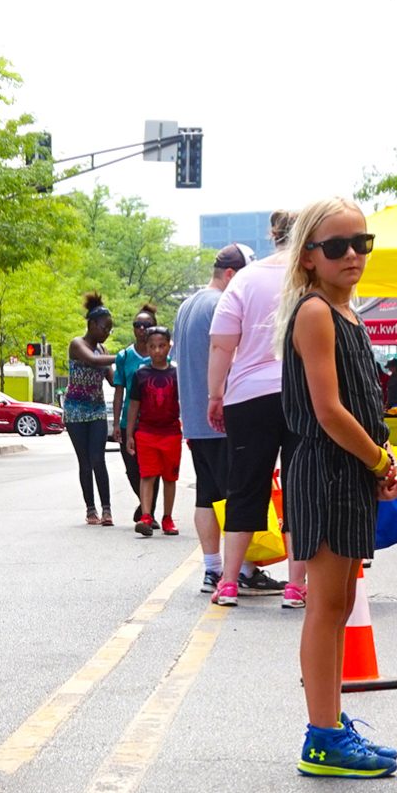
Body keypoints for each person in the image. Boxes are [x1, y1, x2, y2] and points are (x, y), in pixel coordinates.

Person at [278, 197, 397, 777]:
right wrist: (381, 461)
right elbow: (328, 411)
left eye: (363, 242)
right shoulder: (315, 312)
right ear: (308, 256)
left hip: (347, 470)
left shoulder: (345, 312)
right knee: (327, 606)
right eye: (337, 246)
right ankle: (322, 736)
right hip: (327, 470)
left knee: (337, 604)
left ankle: (330, 727)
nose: (353, 255)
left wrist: (376, 465)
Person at [209, 211, 312, 608]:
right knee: (299, 488)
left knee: (245, 489)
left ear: (273, 235)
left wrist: (215, 394)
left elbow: (222, 344)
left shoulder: (245, 279)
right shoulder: (311, 277)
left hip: (248, 397)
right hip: (303, 394)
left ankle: (230, 583)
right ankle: (295, 586)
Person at [177, 244, 264, 587]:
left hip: (196, 420)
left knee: (207, 496)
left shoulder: (188, 305)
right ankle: (242, 571)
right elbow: (231, 354)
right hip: (223, 417)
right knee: (238, 497)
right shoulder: (222, 304)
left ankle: (212, 568)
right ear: (231, 275)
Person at [123, 327, 186, 535]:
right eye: (152, 347)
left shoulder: (177, 373)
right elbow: (134, 404)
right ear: (146, 348)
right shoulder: (140, 374)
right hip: (147, 433)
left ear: (169, 346)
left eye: (161, 346)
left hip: (171, 433)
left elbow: (184, 401)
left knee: (170, 477)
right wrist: (129, 433)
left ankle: (167, 518)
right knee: (147, 475)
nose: (157, 351)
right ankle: (146, 516)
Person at [64, 296, 119, 525]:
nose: (107, 332)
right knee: (84, 461)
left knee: (98, 459)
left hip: (96, 410)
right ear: (92, 325)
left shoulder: (103, 349)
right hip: (75, 412)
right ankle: (90, 509)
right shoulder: (77, 344)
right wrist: (124, 356)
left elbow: (113, 380)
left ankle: (107, 510)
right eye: (104, 327)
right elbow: (93, 361)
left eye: (110, 329)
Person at [112, 305, 159, 522]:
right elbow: (119, 391)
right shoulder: (124, 356)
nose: (141, 329)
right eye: (137, 325)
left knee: (153, 470)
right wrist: (115, 425)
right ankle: (145, 505)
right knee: (133, 470)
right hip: (128, 422)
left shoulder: (159, 356)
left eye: (146, 325)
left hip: (153, 421)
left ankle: (148, 513)